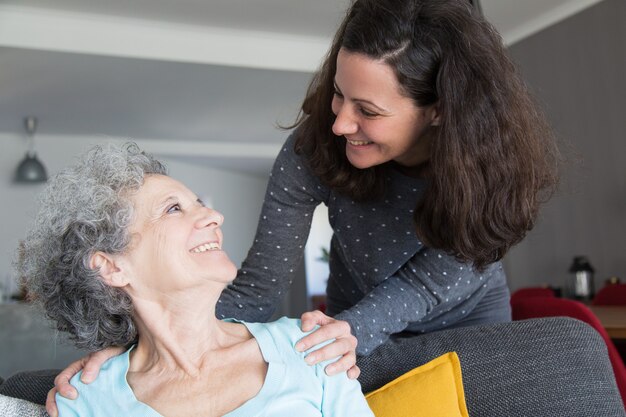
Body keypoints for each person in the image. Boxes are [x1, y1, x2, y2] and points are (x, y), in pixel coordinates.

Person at [51, 0, 559, 411]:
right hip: (348, 313)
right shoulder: (312, 148)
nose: (340, 123)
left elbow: (428, 283)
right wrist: (143, 350)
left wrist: (352, 331)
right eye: (339, 95)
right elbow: (259, 287)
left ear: (439, 112)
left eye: (369, 110)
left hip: (464, 318)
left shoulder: (492, 169)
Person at [19, 143, 373, 417]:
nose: (214, 216)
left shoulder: (312, 347)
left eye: (200, 203)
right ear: (112, 267)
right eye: (173, 208)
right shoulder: (87, 400)